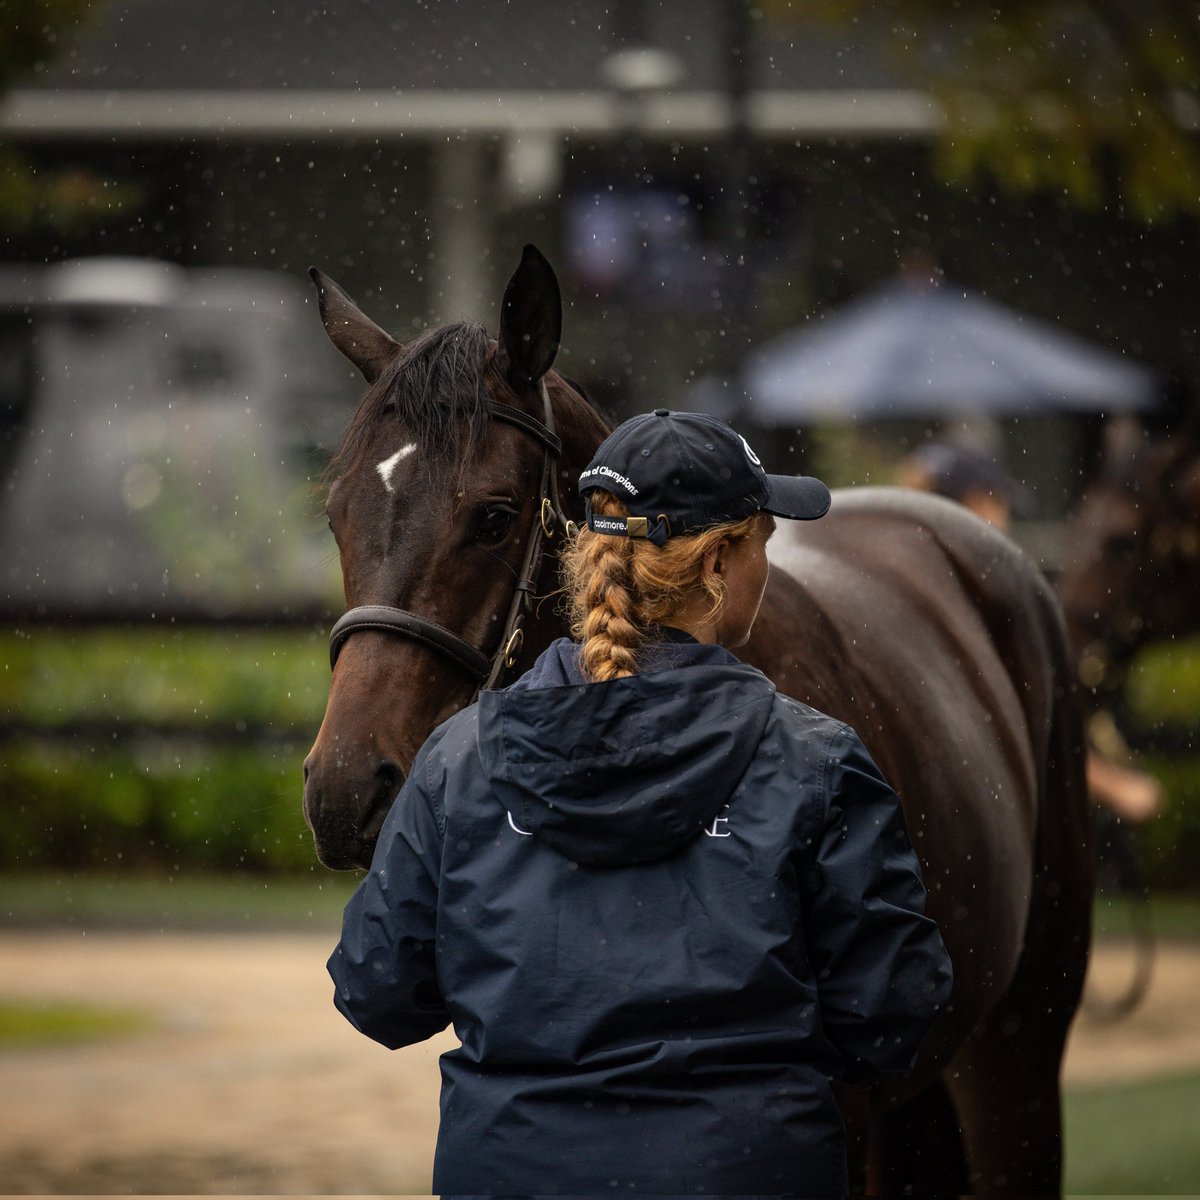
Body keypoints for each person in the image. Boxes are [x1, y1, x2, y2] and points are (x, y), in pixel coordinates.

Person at [329, 409, 954, 1197]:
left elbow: (378, 991)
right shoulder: (814, 762)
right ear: (722, 561)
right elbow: (893, 1012)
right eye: (765, 542)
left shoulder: (459, 761)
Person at [899, 438, 1161, 825]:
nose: (1003, 522)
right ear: (979, 503)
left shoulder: (903, 580)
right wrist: (1116, 787)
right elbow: (1006, 734)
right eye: (1001, 504)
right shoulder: (974, 600)